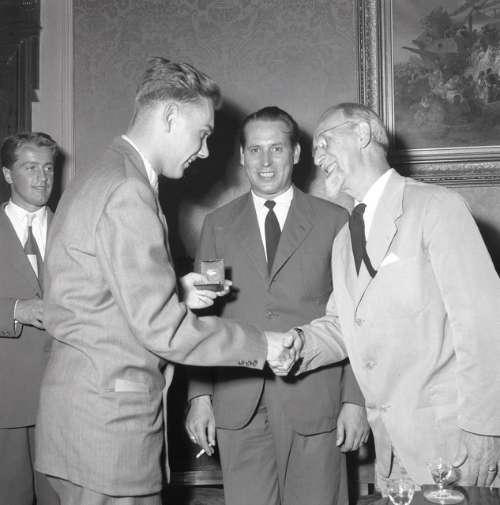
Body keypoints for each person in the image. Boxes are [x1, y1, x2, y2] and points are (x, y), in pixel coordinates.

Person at [34, 58, 300, 504]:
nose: (205, 151)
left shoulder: (100, 173)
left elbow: (93, 292)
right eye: (203, 133)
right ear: (171, 116)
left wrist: (176, 290)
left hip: (80, 417)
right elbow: (164, 330)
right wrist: (261, 345)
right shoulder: (128, 190)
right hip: (108, 429)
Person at [275, 102, 500, 492]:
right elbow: (344, 323)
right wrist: (298, 344)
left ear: (362, 133)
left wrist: (485, 428)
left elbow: (484, 321)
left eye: (325, 142)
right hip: (391, 450)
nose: (317, 157)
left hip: (452, 444)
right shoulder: (344, 240)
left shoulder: (435, 207)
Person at [185, 106, 369, 505]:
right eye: (255, 150)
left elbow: (357, 316)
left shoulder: (335, 221)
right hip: (237, 399)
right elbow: (203, 315)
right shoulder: (218, 224)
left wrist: (355, 400)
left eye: (277, 149)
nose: (265, 162)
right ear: (241, 156)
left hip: (315, 398)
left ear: (296, 153)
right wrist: (199, 397)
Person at [0, 132, 60, 504]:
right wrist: (15, 310)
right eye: (31, 168)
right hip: (5, 398)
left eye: (49, 168)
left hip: (64, 396)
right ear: (8, 174)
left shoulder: (74, 227)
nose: (42, 178)